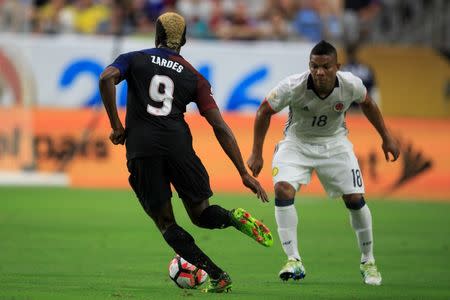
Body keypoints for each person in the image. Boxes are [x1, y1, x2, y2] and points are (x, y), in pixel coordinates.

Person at [98, 12, 273, 293]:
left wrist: (117, 126)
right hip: (179, 147)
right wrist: (243, 172)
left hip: (143, 150)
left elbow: (106, 78)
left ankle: (218, 274)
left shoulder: (134, 58)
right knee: (202, 214)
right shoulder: (194, 76)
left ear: (156, 36)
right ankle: (232, 217)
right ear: (185, 41)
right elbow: (220, 125)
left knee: (166, 223)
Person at [247, 40, 399, 286]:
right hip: (297, 143)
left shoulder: (350, 84)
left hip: (335, 143)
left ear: (337, 66)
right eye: (314, 66)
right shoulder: (293, 86)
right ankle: (293, 259)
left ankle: (368, 261)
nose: (319, 72)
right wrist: (256, 152)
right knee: (282, 189)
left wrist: (387, 137)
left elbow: (369, 104)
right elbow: (264, 110)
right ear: (309, 65)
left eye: (326, 67)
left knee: (355, 199)